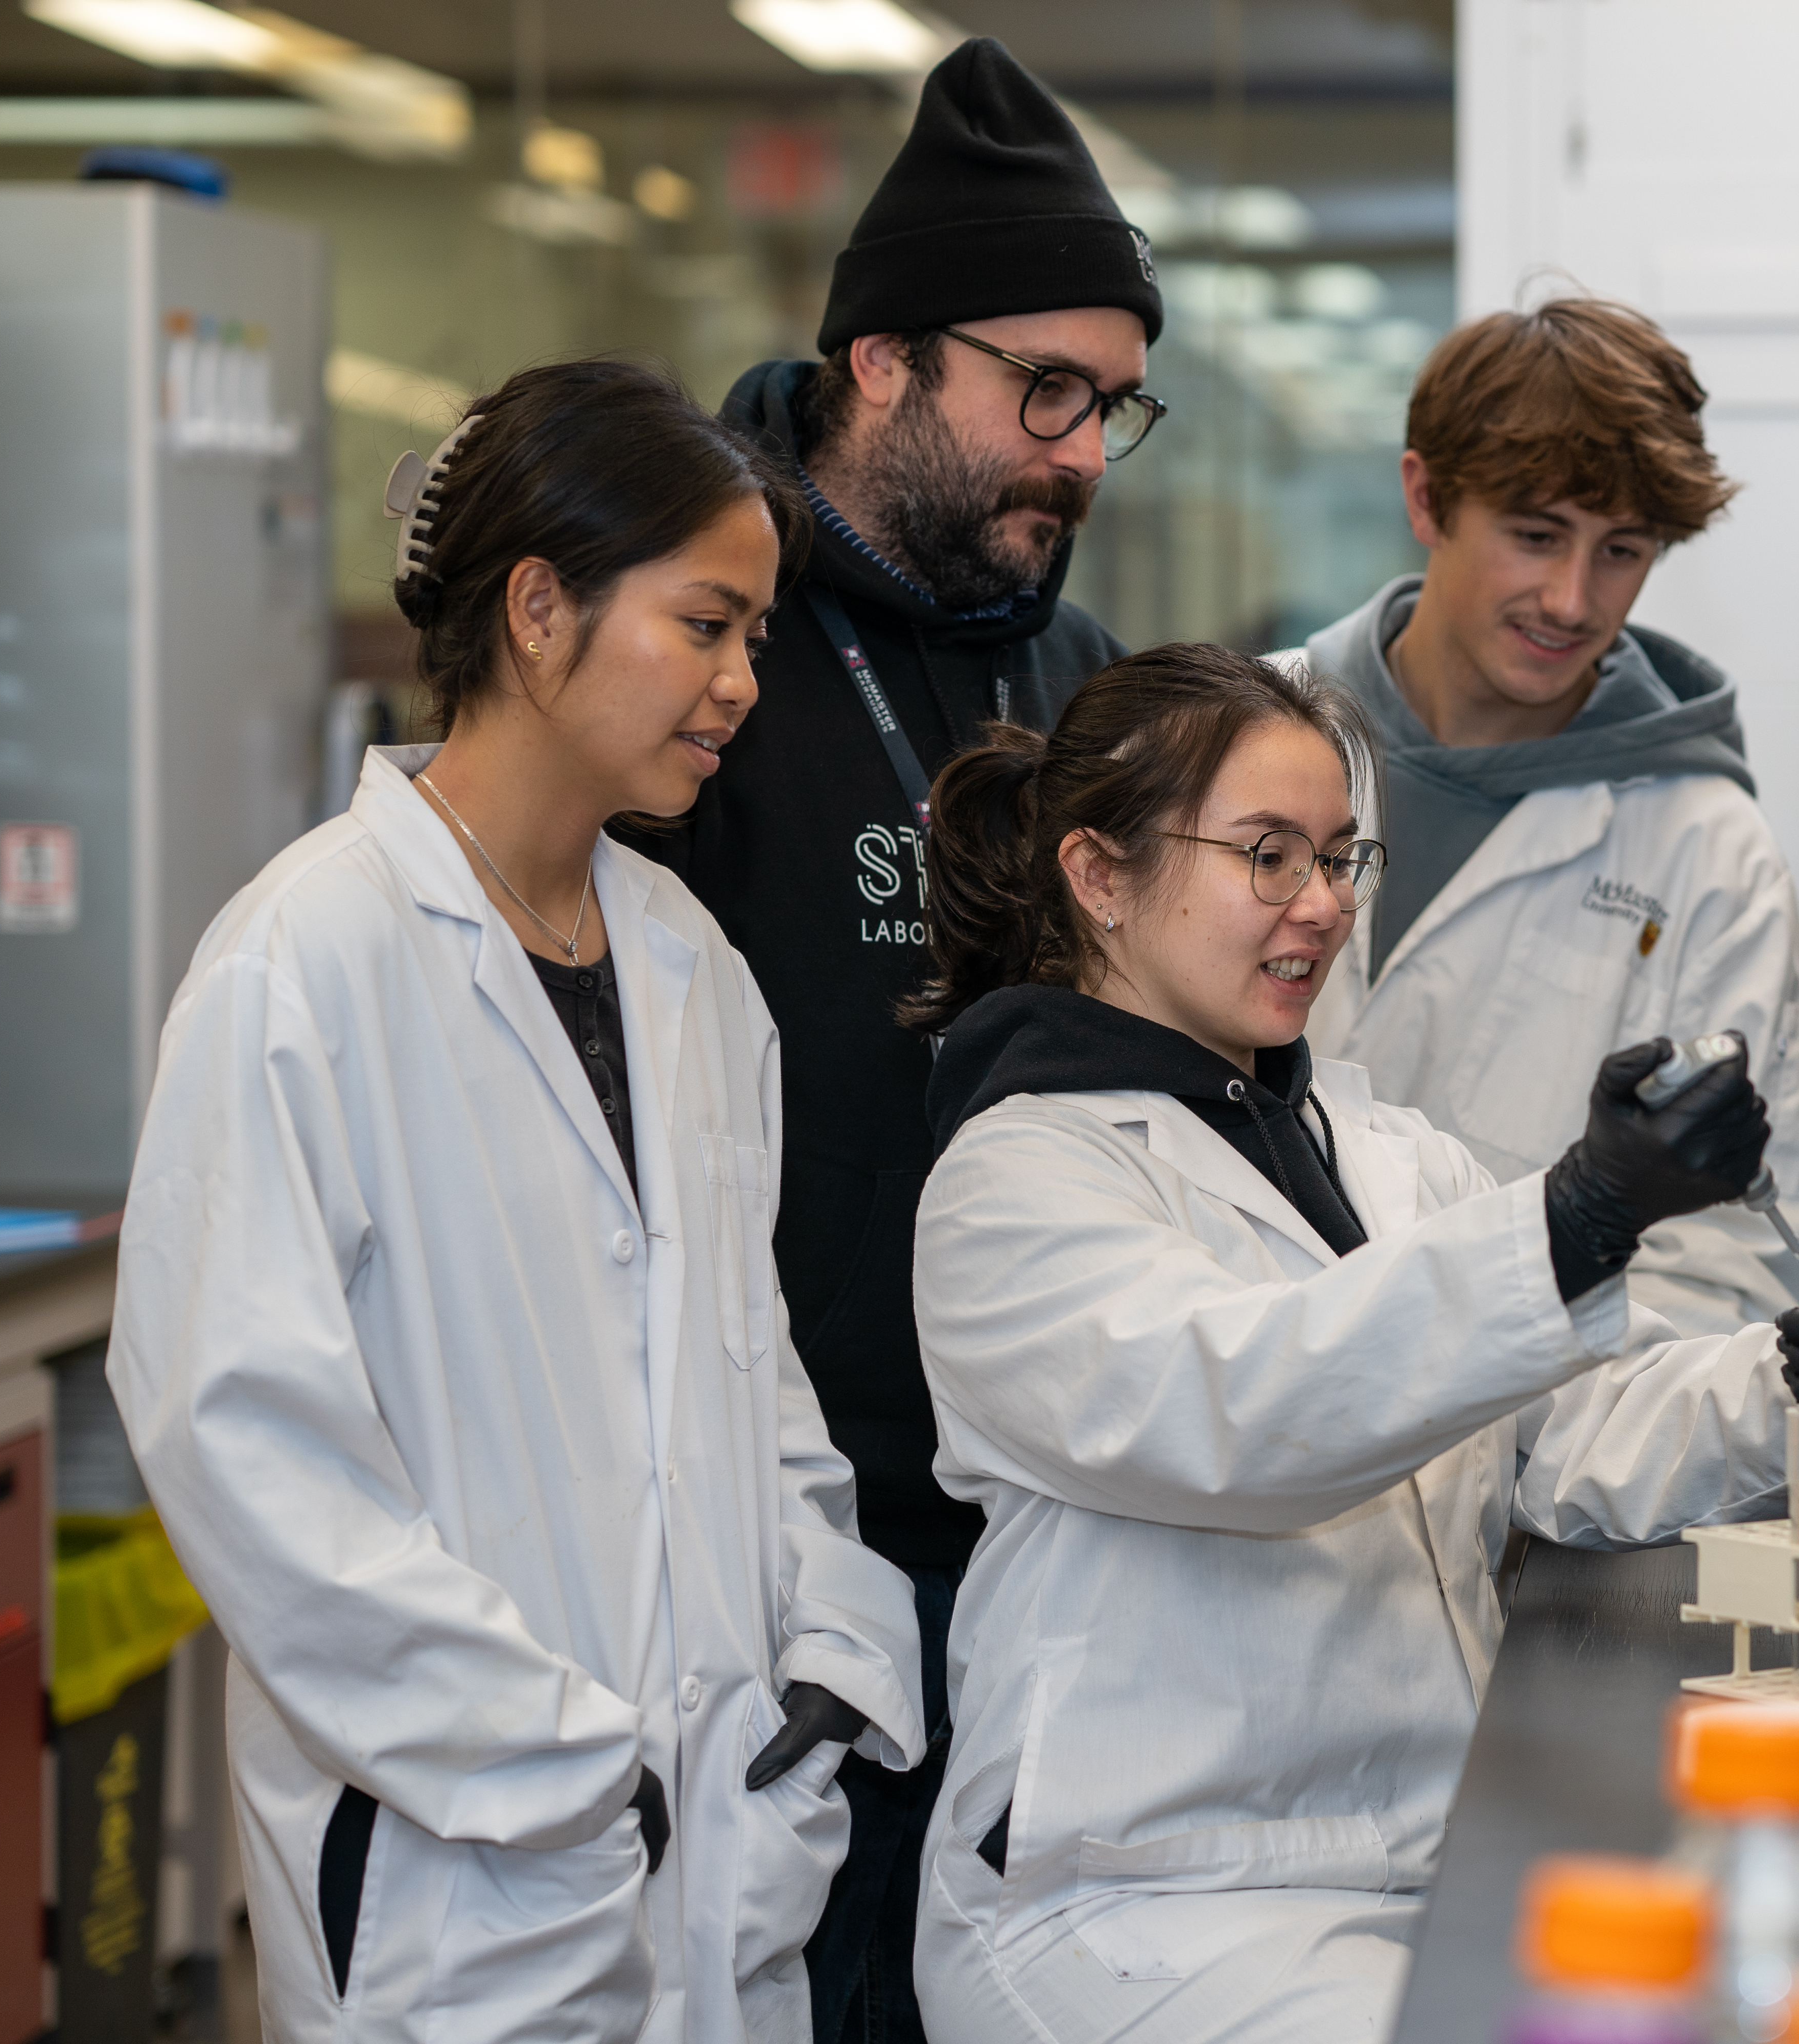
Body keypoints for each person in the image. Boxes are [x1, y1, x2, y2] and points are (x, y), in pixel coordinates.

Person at [899, 645, 1799, 2040]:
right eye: (1267, 858)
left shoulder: (1377, 1154)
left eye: (1340, 859)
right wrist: (1576, 1220)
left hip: (1407, 1857)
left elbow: (1561, 1435)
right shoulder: (1016, 1184)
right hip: (1146, 1905)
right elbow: (1249, 1412)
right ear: (1098, 876)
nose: (1321, 908)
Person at [108, 360, 924, 2042]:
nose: (741, 684)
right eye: (706, 625)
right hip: (467, 1861)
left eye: (758, 637)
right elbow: (240, 1441)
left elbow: (751, 1376)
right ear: (540, 610)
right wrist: (544, 1757)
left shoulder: (695, 968)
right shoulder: (305, 962)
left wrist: (836, 1655)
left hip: (723, 1830)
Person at [617, 37, 1166, 2041]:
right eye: (1042, 392)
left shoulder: (1082, 676)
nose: (1086, 449)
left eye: (1114, 403)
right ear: (879, 365)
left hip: (1039, 1531)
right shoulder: (702, 652)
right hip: (777, 1557)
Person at [1288, 297, 1799, 1338]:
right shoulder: (1227, 745)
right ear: (1427, 498)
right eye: (1536, 536)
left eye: (1622, 550)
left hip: (1548, 1467)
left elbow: (1730, 1272)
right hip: (1226, 1432)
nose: (1574, 600)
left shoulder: (1706, 845)